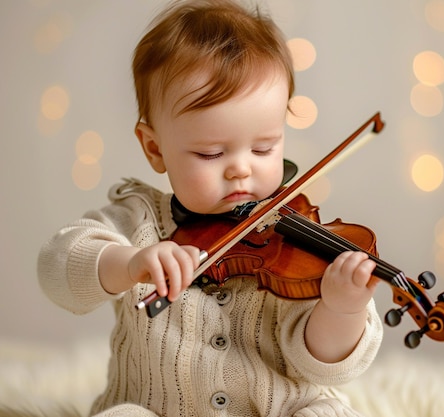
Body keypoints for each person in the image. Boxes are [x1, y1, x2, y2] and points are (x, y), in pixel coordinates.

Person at [37, 1, 383, 416]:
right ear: (154, 147)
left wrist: (341, 308)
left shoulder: (296, 242)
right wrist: (129, 263)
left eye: (263, 147)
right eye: (210, 153)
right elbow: (57, 267)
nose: (240, 169)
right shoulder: (139, 220)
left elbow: (323, 367)